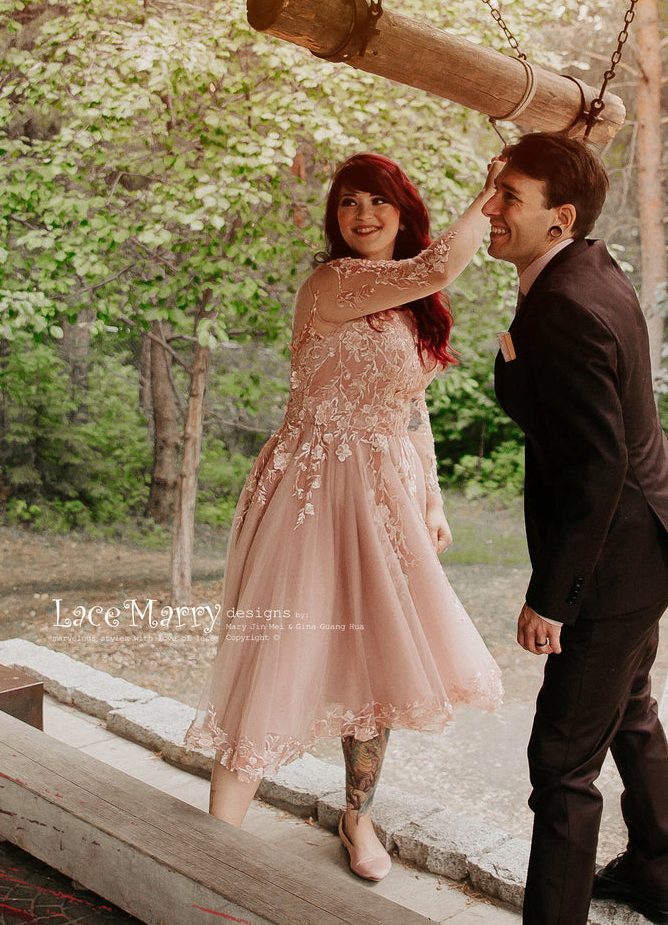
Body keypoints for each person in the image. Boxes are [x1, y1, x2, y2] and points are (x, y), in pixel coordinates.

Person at [185, 152, 504, 882]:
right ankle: (203, 856)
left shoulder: (411, 306)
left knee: (377, 656)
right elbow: (435, 268)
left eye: (378, 203)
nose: (363, 216)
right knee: (275, 654)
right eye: (349, 203)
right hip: (313, 488)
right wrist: (490, 196)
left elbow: (412, 407)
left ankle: (357, 817)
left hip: (385, 494)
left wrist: (432, 496)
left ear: (402, 211)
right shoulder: (333, 282)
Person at [483, 132, 668, 925]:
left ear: (559, 216)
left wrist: (554, 600)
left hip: (616, 560)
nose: (490, 207)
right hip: (652, 540)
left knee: (560, 761)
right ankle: (654, 872)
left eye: (509, 195)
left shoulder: (567, 304)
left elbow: (596, 469)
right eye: (491, 186)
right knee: (630, 709)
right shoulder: (588, 268)